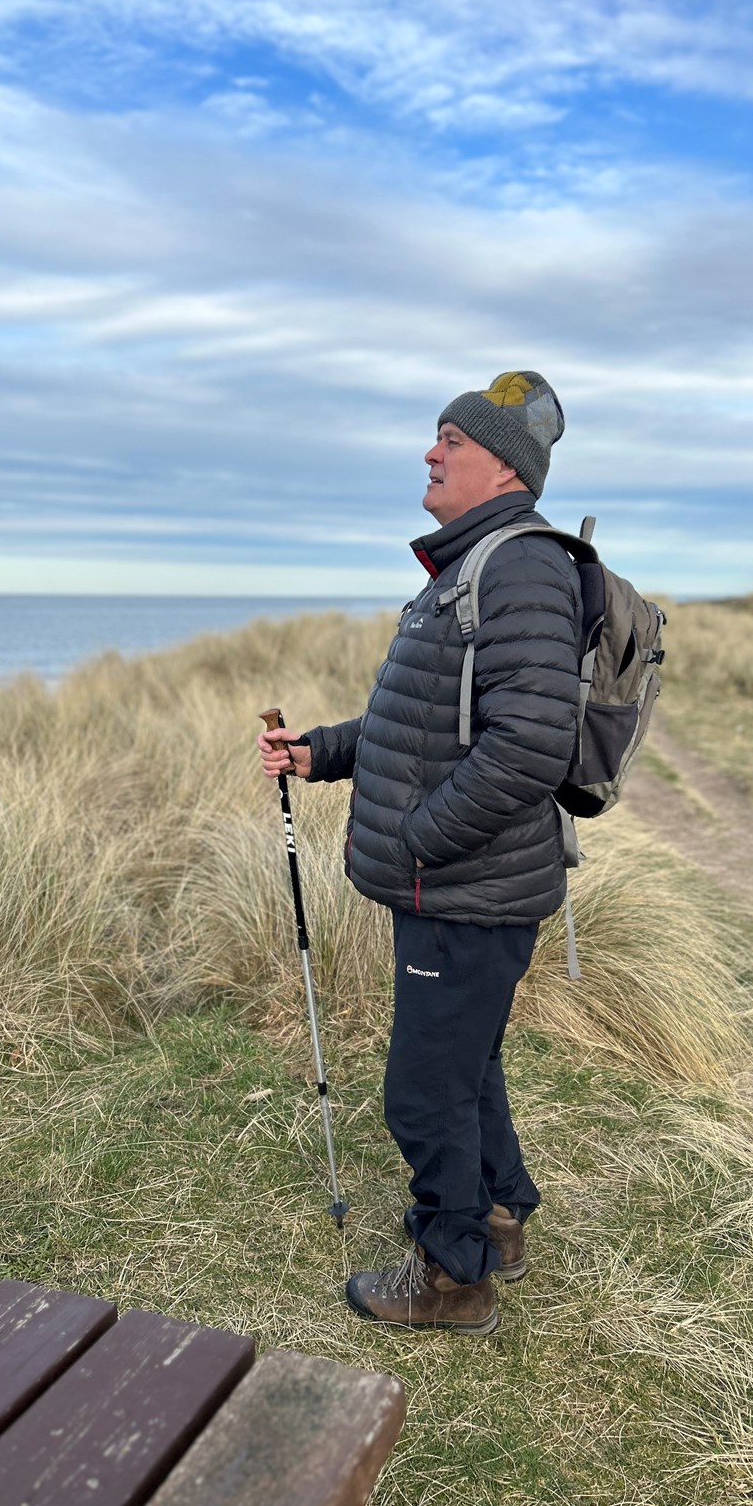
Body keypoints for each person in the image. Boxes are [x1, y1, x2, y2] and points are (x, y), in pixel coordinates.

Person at [257, 371, 581, 1335]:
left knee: (424, 1087)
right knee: (468, 1063)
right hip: (467, 883)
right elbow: (424, 727)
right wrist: (324, 752)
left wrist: (419, 841)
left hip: (466, 886)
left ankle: (453, 1278)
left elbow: (528, 745)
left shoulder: (516, 568)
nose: (430, 453)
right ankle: (496, 1217)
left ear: (502, 467)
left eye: (449, 438)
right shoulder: (474, 565)